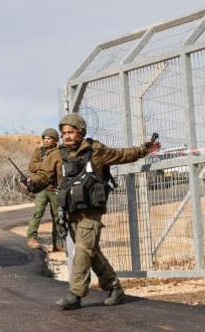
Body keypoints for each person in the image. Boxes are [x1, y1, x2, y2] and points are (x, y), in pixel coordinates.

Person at [27, 113, 160, 311]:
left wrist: (144, 149)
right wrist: (31, 183)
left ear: (80, 132)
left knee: (82, 249)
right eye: (64, 133)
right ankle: (114, 288)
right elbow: (43, 177)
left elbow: (123, 155)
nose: (67, 136)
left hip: (92, 212)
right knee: (91, 251)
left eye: (71, 132)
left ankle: (75, 294)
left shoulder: (95, 150)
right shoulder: (56, 154)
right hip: (71, 212)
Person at [24, 128, 63, 251]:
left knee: (57, 216)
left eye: (49, 138)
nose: (46, 140)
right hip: (41, 188)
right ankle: (31, 238)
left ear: (55, 140)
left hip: (54, 188)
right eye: (45, 138)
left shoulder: (59, 152)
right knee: (37, 213)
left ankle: (58, 243)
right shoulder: (38, 151)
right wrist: (48, 164)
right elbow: (32, 166)